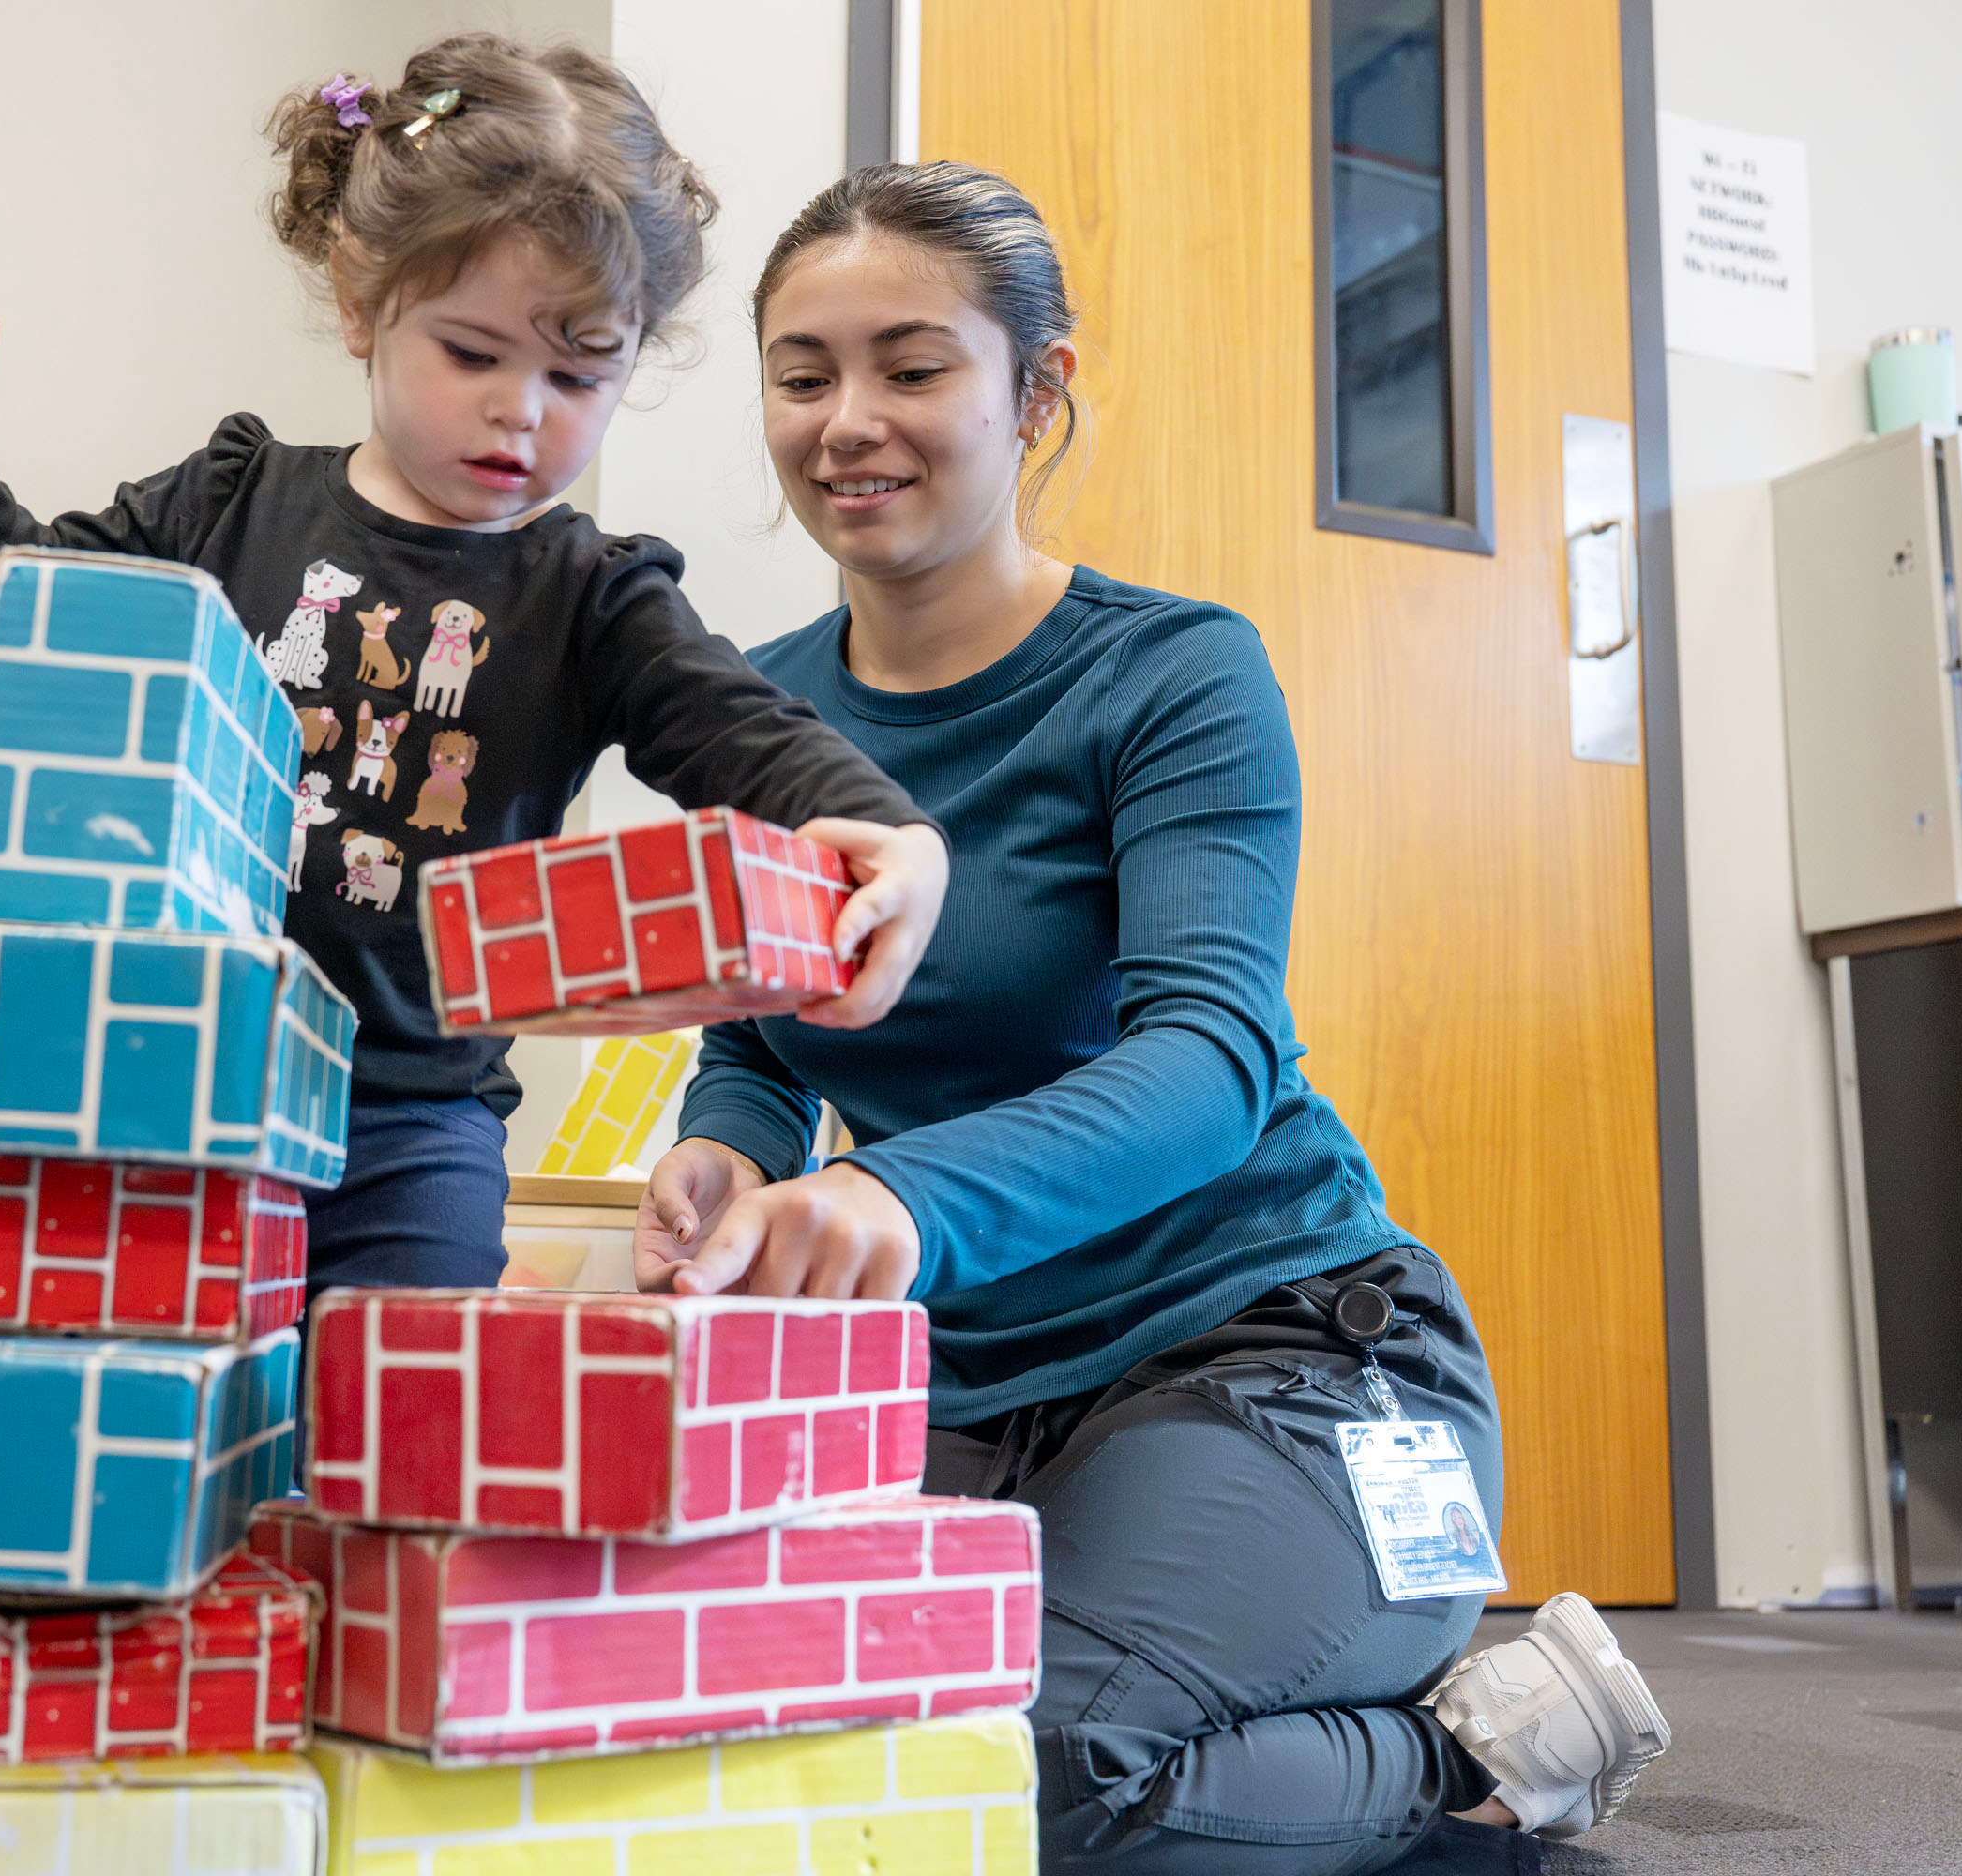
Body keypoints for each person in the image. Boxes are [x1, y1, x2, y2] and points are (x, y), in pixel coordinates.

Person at [635, 160, 1671, 1872]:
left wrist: (901, 1197)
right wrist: (721, 1161)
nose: (847, 424)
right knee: (763, 1752)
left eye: (912, 366)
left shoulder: (1174, 675)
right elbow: (761, 1038)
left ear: (1036, 390)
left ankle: (1469, 1762)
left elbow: (1209, 1064)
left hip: (1276, 1354)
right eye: (802, 374)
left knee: (1021, 1782)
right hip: (969, 1388)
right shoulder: (759, 719)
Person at [0, 34, 948, 1298]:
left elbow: (743, 733)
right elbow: (42, 620)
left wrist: (893, 832)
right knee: (149, 1393)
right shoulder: (234, 500)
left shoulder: (593, 597)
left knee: (388, 1430)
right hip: (175, 1073)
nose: (523, 408)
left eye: (581, 373)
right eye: (474, 354)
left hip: (409, 1126)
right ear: (362, 301)